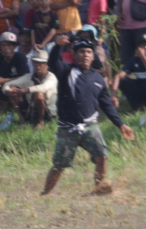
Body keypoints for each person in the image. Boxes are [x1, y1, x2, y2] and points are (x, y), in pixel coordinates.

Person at [41, 39, 134, 196]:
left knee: (102, 157)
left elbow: (107, 105)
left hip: (91, 126)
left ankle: (98, 190)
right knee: (59, 165)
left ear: (93, 56)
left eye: (89, 52)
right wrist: (57, 45)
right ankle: (45, 194)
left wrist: (121, 125)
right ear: (74, 55)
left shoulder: (98, 79)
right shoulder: (66, 72)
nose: (85, 55)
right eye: (81, 52)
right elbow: (52, 63)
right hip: (68, 128)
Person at [3, 48, 58, 129]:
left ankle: (40, 121)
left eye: (41, 63)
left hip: (48, 111)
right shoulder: (28, 77)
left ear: (46, 65)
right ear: (32, 63)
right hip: (31, 109)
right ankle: (22, 118)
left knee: (39, 95)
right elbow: (7, 84)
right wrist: (8, 91)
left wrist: (25, 90)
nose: (38, 66)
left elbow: (44, 87)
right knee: (12, 88)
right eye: (35, 63)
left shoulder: (51, 77)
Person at [0, 31, 30, 108]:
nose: (6, 48)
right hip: (0, 86)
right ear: (0, 47)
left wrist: (3, 80)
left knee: (13, 88)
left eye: (9, 45)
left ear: (14, 47)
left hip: (16, 86)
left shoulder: (20, 57)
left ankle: (16, 106)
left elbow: (26, 77)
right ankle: (1, 103)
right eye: (3, 45)